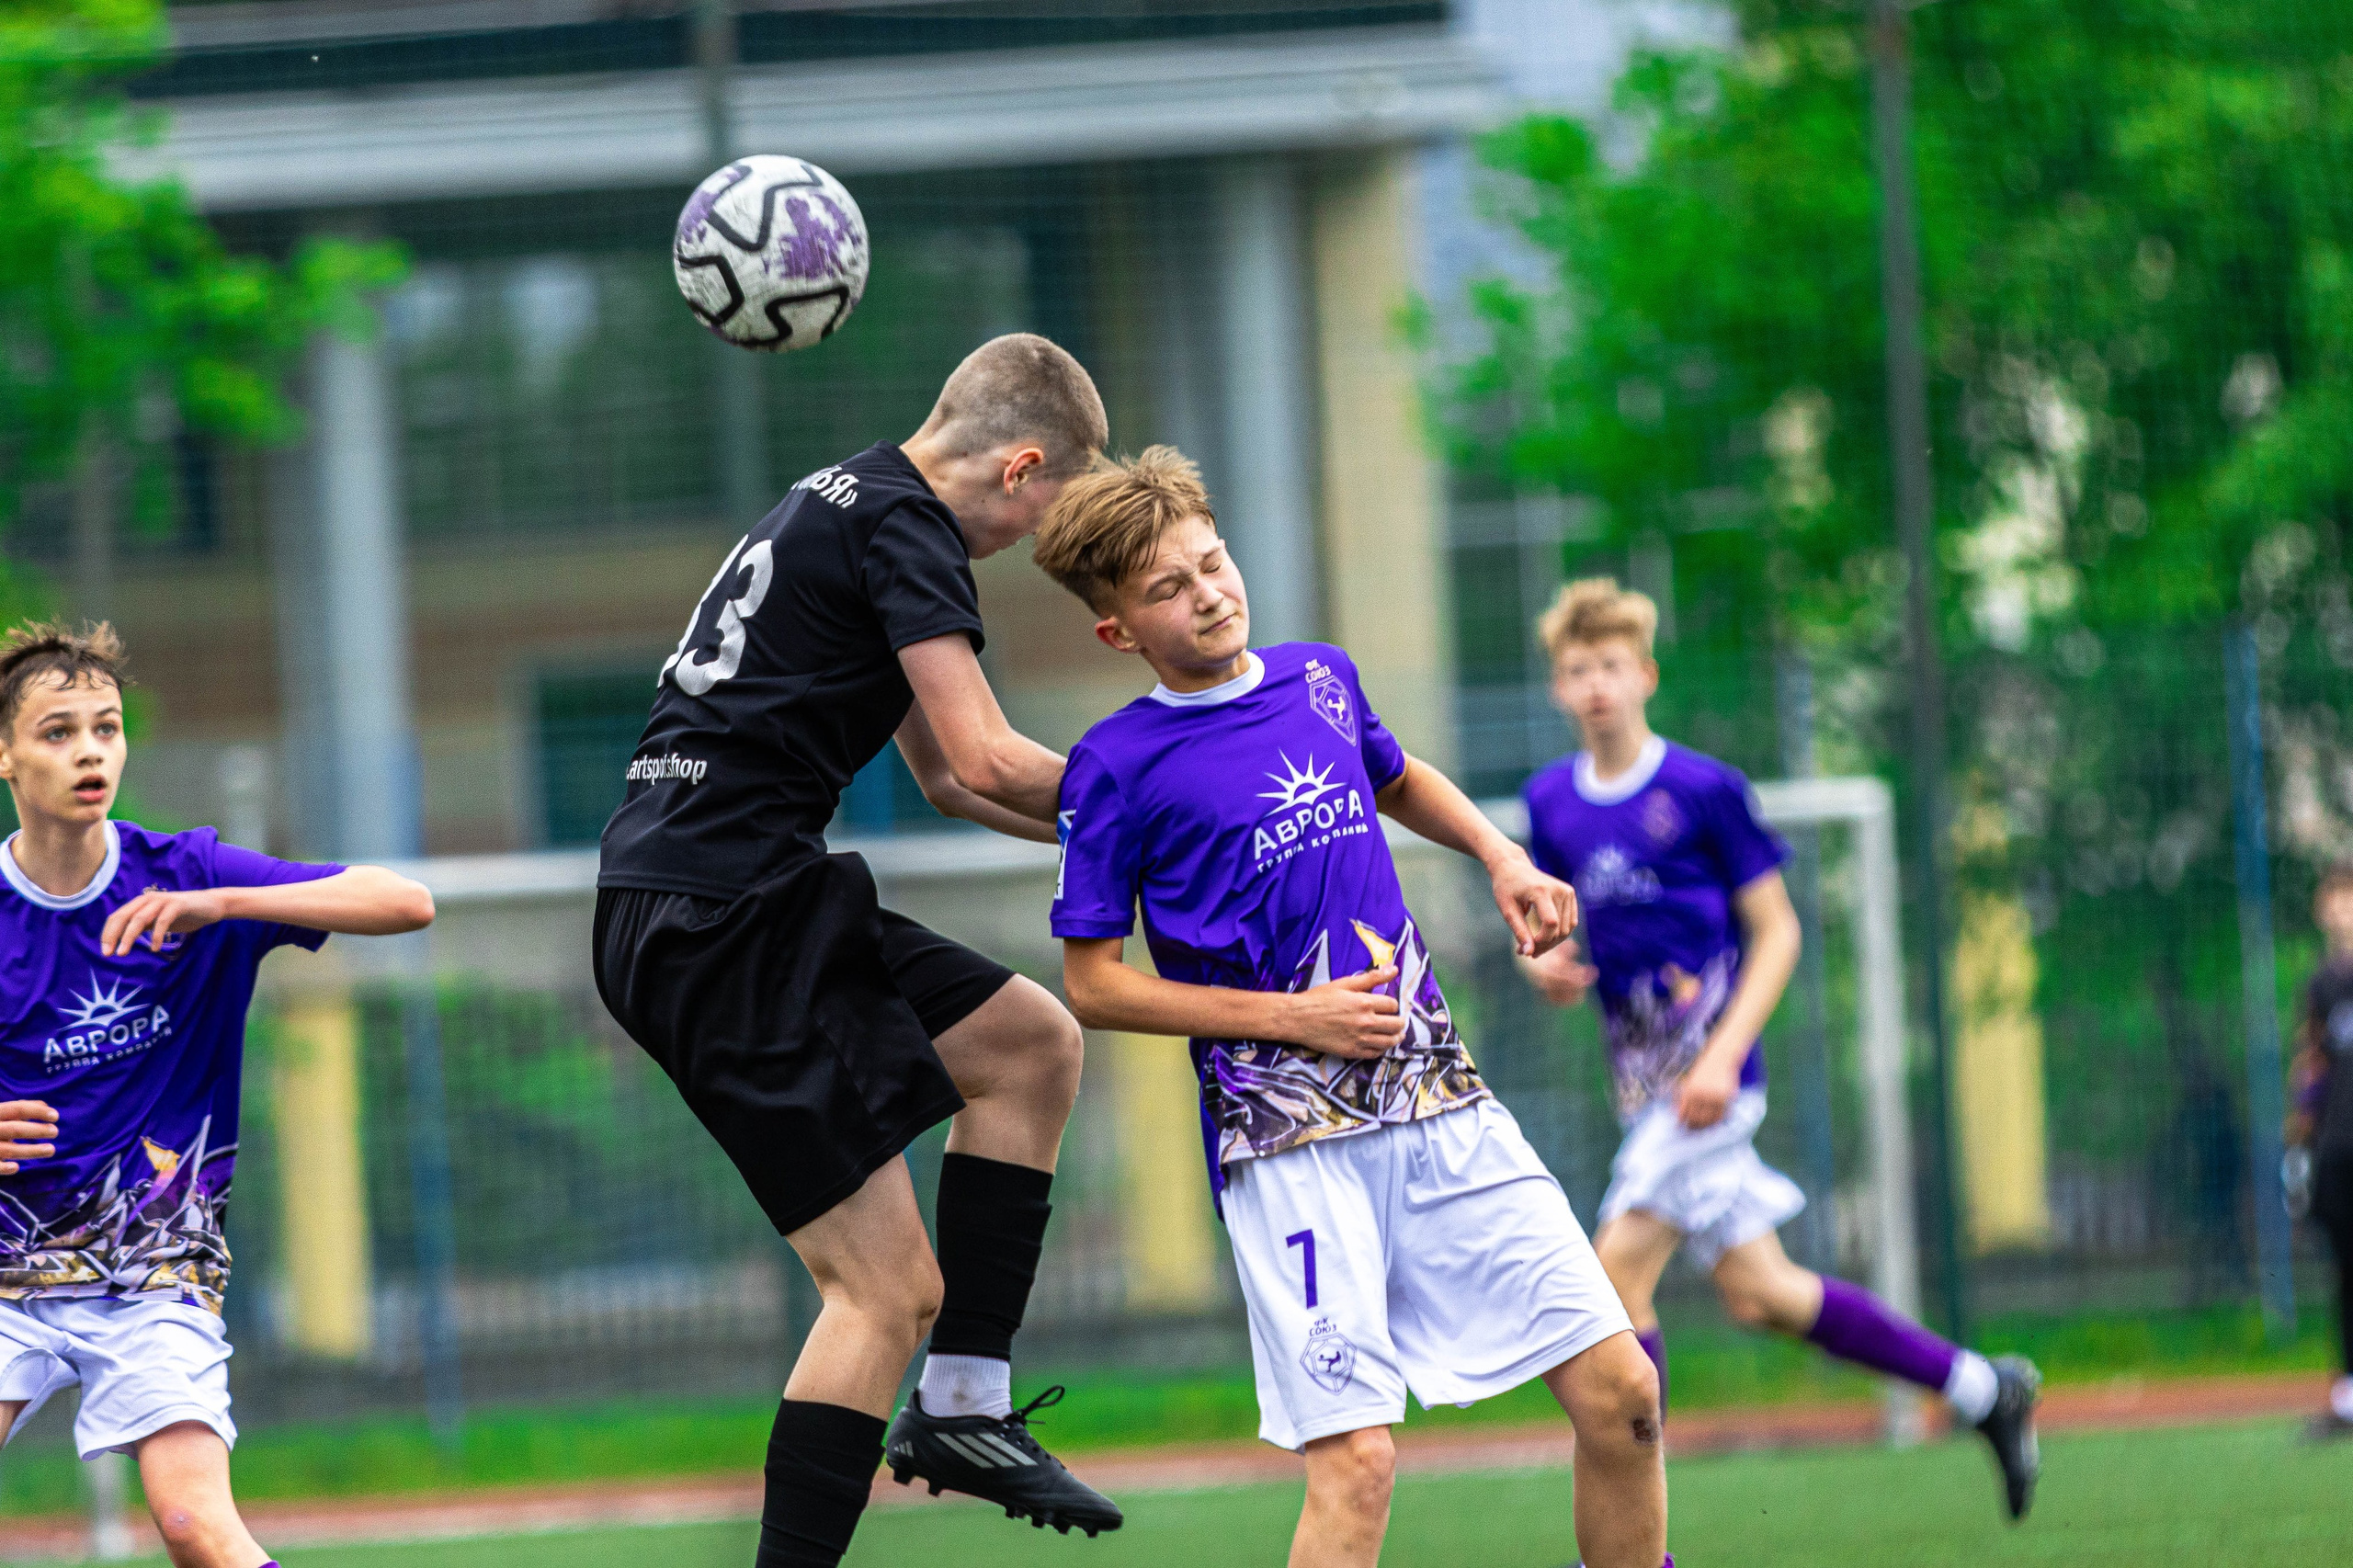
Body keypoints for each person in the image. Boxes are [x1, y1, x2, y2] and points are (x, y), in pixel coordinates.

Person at [1032, 449, 1672, 1568]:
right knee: (1361, 1465)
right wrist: (1295, 1020)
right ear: (1118, 631)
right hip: (1288, 1146)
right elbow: (1092, 984)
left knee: (1624, 1391)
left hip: (1440, 1101)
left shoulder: (1318, 677)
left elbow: (1392, 771)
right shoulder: (1114, 765)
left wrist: (1499, 854)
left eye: (1212, 563)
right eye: (1168, 590)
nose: (1209, 595)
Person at [595, 334, 1125, 1565]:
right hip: (724, 913)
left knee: (1032, 1043)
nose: (1037, 546)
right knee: (884, 1292)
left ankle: (964, 1406)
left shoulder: (839, 499)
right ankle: (933, 1418)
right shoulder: (910, 530)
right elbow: (992, 757)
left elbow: (943, 776)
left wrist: (1122, 843)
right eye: (1048, 512)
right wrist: (1180, 807)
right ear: (1023, 465)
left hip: (729, 896)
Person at [1518, 577, 2042, 1521]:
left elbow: (1778, 930)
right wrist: (1548, 962)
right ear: (1556, 688)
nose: (1593, 684)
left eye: (1608, 665)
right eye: (1573, 669)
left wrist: (1721, 1057)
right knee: (1761, 1290)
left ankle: (1634, 1533)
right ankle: (1981, 1388)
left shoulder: (1703, 788)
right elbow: (1554, 929)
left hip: (1713, 1086)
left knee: (1610, 1278)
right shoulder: (1550, 800)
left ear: (1644, 674)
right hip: (1643, 1090)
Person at [0, 620, 436, 1568]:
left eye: (106, 728)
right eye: (58, 730)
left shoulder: (187, 876)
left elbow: (406, 900)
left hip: (156, 1271)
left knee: (194, 1524)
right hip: (6, 1278)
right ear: (5, 754)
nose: (89, 751)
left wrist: (233, 902)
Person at [2287, 863, 2353, 1439]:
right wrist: (2300, 1132)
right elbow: (2313, 1064)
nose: (2337, 910)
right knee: (2346, 1269)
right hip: (2338, 1148)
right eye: (2330, 900)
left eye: (2346, 899)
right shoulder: (2323, 985)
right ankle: (2348, 1394)